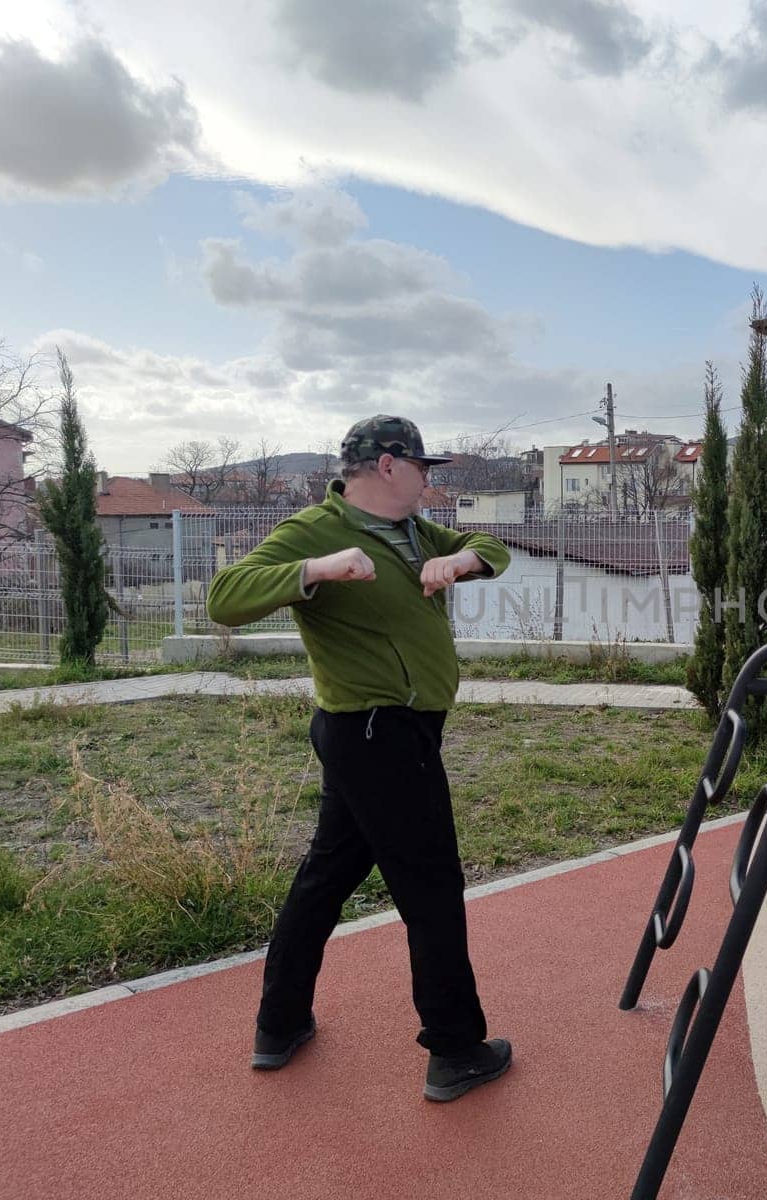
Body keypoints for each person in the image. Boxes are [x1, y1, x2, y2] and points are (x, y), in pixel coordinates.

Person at [207, 415, 514, 1102]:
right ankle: (456, 1048)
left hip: (388, 733)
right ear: (387, 464)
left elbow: (492, 545)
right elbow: (224, 601)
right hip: (378, 732)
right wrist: (318, 571)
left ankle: (278, 1024)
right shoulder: (314, 531)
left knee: (326, 875)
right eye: (423, 467)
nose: (430, 480)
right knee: (431, 884)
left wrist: (462, 560)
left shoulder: (413, 531)